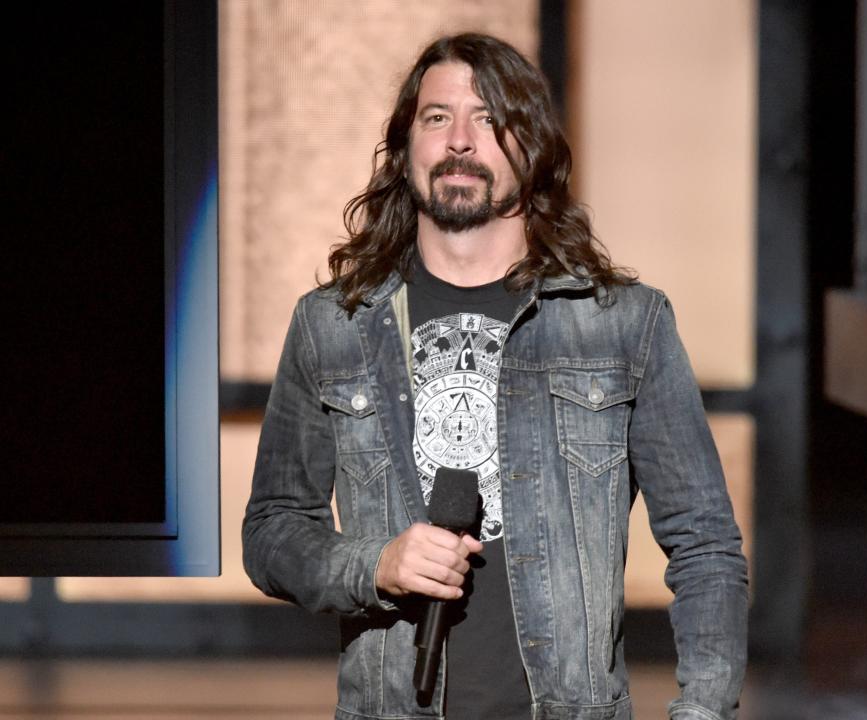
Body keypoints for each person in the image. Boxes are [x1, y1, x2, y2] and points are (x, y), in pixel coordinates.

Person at [243, 32, 748, 720]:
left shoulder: (623, 324)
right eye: (436, 117)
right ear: (405, 148)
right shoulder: (334, 326)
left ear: (531, 148)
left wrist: (705, 711)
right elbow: (272, 533)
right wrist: (376, 565)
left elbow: (704, 542)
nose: (459, 141)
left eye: (489, 119)